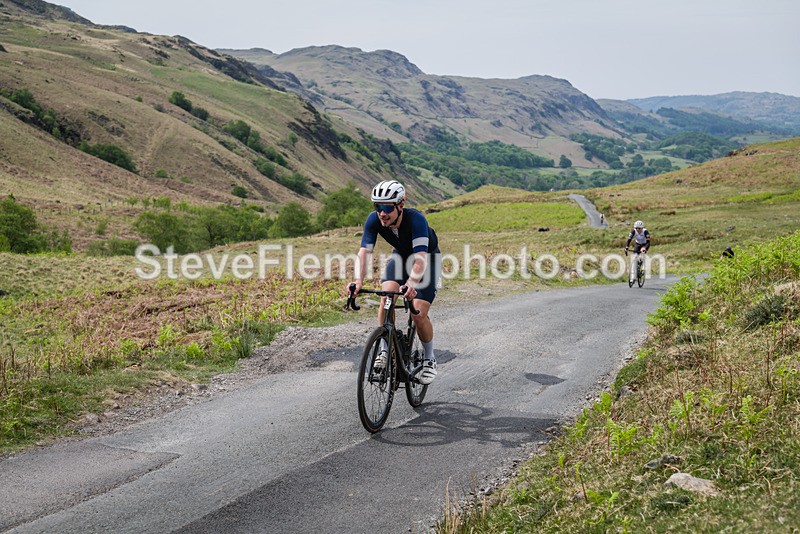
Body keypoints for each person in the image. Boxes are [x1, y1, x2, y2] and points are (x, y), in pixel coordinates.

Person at [349, 180, 441, 385]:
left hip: (427, 259)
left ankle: (429, 358)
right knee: (386, 297)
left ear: (400, 206)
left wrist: (411, 284)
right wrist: (357, 281)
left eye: (387, 207)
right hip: (400, 258)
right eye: (378, 207)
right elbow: (364, 252)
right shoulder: (374, 220)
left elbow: (420, 260)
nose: (382, 213)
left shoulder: (416, 219)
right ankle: (384, 349)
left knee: (418, 313)